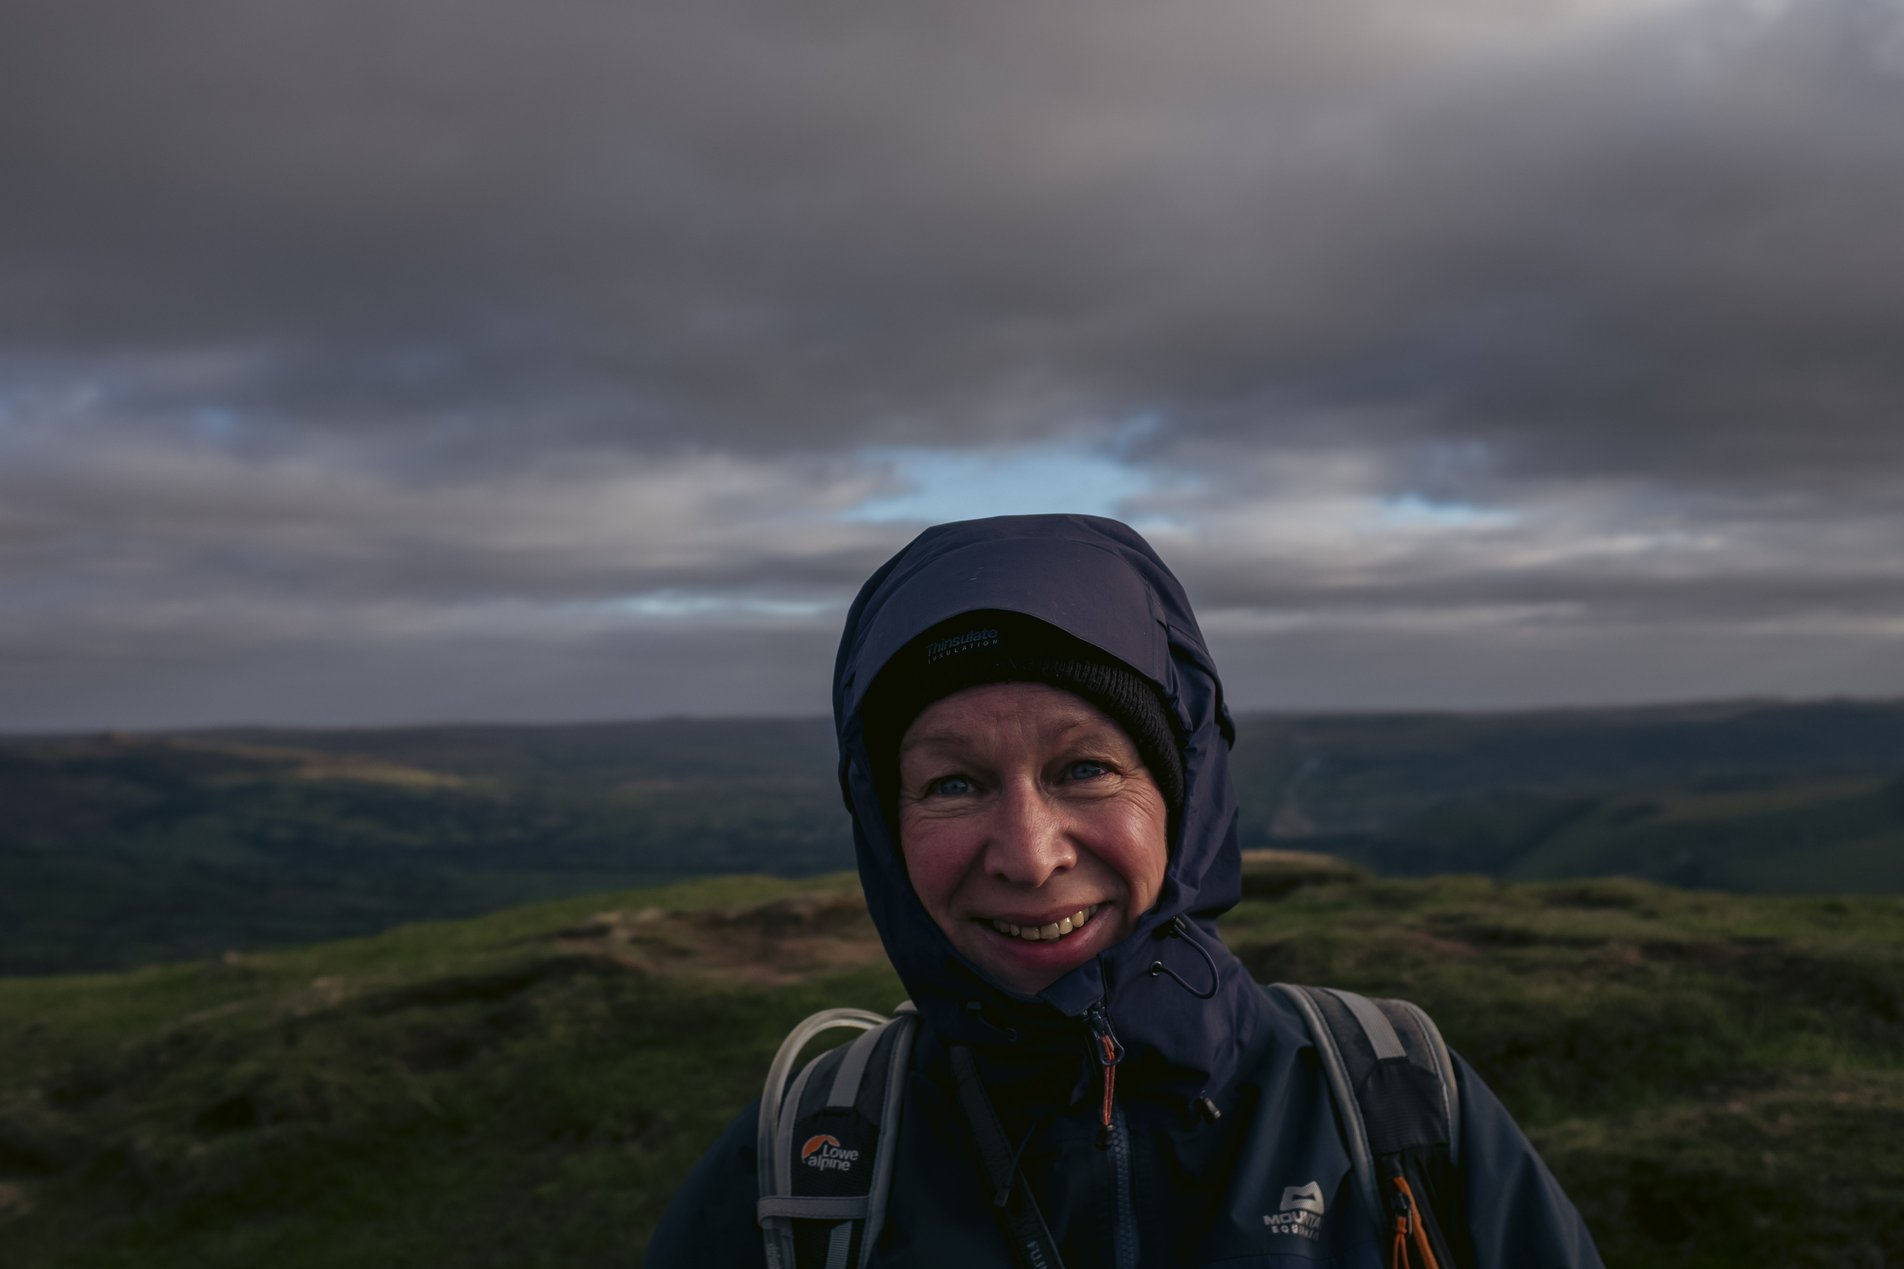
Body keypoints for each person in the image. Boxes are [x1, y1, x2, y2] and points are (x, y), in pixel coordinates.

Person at [648, 513, 1602, 1267]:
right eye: (953, 783)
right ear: (883, 821)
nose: (1027, 855)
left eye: (1085, 768)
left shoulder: (1400, 1106)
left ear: (1185, 790)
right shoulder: (809, 1168)